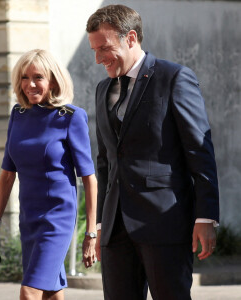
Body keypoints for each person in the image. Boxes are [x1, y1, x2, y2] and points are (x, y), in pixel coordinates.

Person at [86, 5, 219, 300]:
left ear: (130, 38)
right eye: (94, 50)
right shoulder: (101, 90)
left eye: (104, 48)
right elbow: (106, 161)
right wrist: (99, 226)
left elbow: (200, 151)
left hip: (164, 223)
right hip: (114, 230)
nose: (98, 59)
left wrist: (206, 216)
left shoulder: (174, 78)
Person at [0, 49, 97, 300]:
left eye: (38, 77)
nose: (30, 84)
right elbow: (7, 175)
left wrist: (90, 233)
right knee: (51, 292)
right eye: (24, 77)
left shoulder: (71, 118)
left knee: (30, 291)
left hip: (57, 218)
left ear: (53, 80)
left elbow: (89, 178)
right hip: (28, 217)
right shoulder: (18, 115)